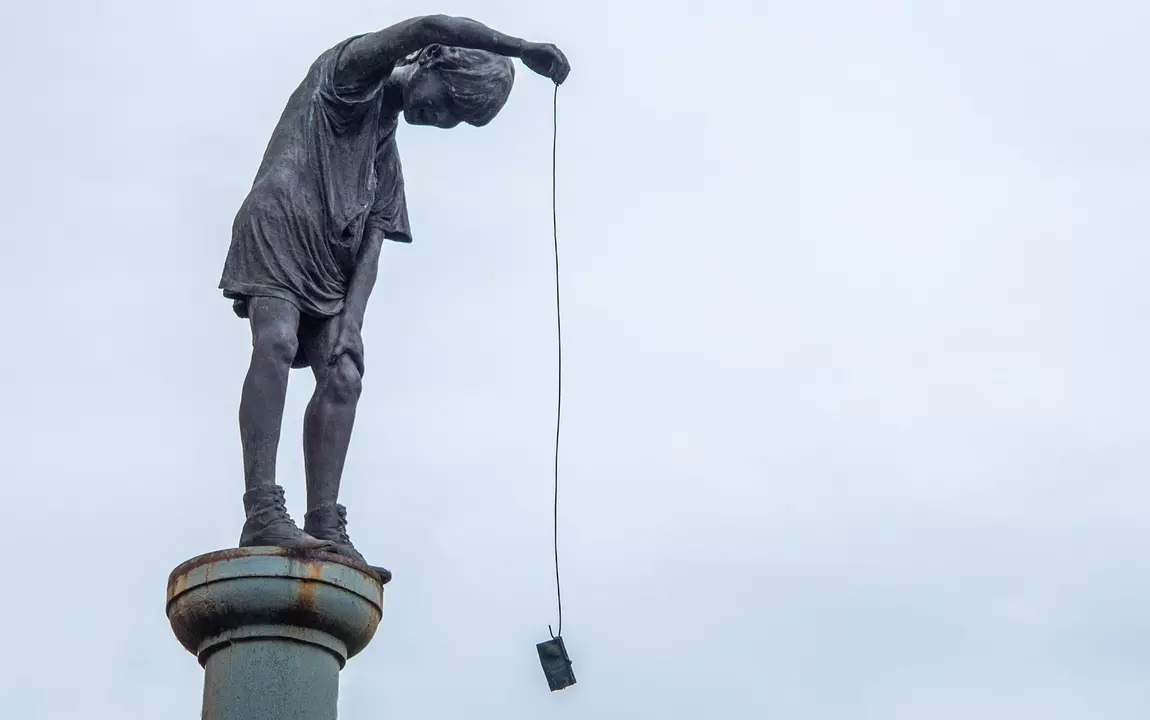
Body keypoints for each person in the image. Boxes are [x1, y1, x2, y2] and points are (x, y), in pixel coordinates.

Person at [218, 15, 570, 581]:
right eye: (448, 102)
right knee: (277, 341)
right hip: (279, 224)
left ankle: (324, 523)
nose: (443, 119)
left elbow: (375, 242)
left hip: (333, 259)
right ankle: (262, 508)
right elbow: (428, 23)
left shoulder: (386, 152)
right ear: (431, 61)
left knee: (344, 373)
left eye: (457, 121)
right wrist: (520, 47)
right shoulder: (351, 76)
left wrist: (350, 325)